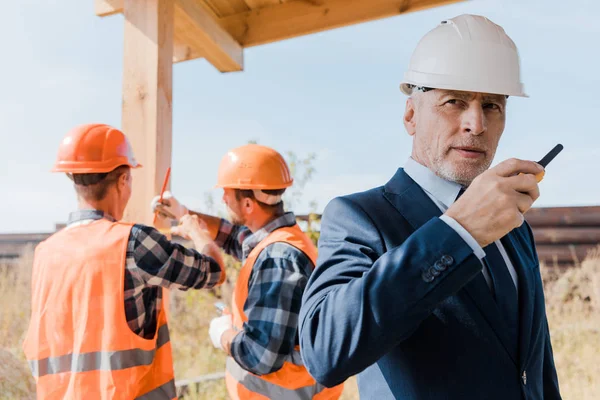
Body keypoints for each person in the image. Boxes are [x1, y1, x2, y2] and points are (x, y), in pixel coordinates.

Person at [298, 14, 562, 400]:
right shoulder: (360, 217)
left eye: (492, 105)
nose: (476, 124)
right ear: (410, 115)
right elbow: (324, 352)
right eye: (454, 101)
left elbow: (535, 368)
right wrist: (458, 233)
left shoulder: (515, 225)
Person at [22, 123, 226, 399]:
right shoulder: (134, 242)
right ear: (122, 180)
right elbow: (213, 272)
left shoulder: (45, 253)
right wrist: (193, 229)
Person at [151, 144, 344, 399]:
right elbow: (232, 236)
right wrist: (181, 213)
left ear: (249, 204)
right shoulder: (276, 239)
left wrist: (222, 334)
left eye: (227, 194)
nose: (222, 199)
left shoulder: (278, 260)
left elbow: (261, 355)